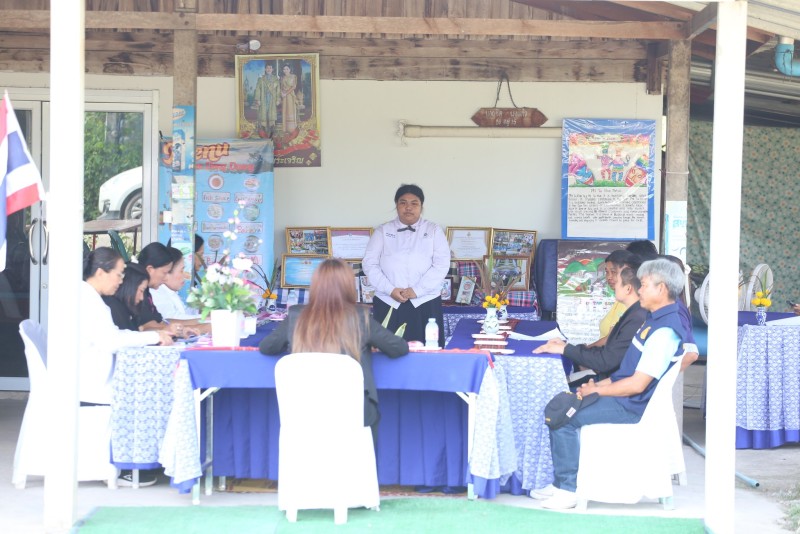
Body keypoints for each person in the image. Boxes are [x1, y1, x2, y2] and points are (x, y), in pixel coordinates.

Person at [531, 258, 688, 510]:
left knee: (564, 416)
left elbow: (637, 385)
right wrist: (597, 387)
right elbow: (626, 374)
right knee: (563, 403)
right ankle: (562, 482)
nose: (639, 290)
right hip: (623, 397)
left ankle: (568, 489)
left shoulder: (664, 332)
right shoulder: (654, 319)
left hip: (631, 406)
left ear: (661, 289)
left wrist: (597, 389)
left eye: (644, 285)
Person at [259, 258, 409, 444]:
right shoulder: (360, 317)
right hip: (354, 412)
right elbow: (399, 348)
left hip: (305, 412)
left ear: (316, 285)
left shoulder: (297, 315)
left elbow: (267, 347)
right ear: (348, 286)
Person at [81, 247, 172, 487]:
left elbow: (115, 334)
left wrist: (151, 336)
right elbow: (112, 341)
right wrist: (153, 337)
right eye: (119, 274)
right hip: (92, 379)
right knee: (148, 391)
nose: (122, 281)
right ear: (101, 272)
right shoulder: (88, 300)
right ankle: (128, 463)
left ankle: (144, 458)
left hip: (94, 371)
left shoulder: (90, 297)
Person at [362, 184, 450, 347]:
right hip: (389, 301)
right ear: (396, 205)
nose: (408, 207)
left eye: (414, 203)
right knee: (386, 352)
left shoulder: (433, 230)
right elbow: (369, 264)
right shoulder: (383, 231)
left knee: (427, 352)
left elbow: (442, 264)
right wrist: (390, 289)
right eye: (403, 202)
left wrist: (417, 290)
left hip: (425, 301)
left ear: (421, 206)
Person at [535, 266, 646, 382]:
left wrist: (566, 349)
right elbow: (609, 353)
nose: (613, 286)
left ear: (628, 288)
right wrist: (572, 349)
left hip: (611, 381)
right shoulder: (632, 313)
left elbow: (606, 361)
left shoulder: (636, 318)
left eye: (617, 282)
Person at [151, 247, 212, 334]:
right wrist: (206, 319)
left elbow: (185, 312)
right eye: (181, 270)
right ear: (166, 273)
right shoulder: (157, 293)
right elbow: (173, 319)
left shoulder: (171, 292)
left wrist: (203, 312)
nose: (185, 275)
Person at [595, 249, 642, 344]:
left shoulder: (630, 303)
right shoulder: (620, 299)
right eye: (607, 272)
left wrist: (579, 349)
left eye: (614, 272)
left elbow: (610, 339)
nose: (609, 277)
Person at [103, 262, 150, 332]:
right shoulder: (114, 309)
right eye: (141, 290)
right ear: (130, 286)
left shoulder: (124, 309)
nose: (142, 298)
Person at [253, 62, 280, 137]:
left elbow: (278, 90)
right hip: (263, 98)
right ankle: (263, 129)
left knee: (272, 114)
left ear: (272, 69)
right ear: (265, 69)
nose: (269, 69)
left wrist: (278, 99)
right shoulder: (261, 78)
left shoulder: (275, 79)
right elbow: (258, 89)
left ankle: (272, 130)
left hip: (272, 98)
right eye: (267, 68)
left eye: (270, 68)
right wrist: (258, 99)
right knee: (263, 114)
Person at [280, 64, 298, 134]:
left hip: (290, 95)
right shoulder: (282, 78)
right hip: (284, 96)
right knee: (285, 110)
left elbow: (293, 87)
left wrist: (286, 93)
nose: (285, 70)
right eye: (284, 69)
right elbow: (281, 87)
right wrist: (282, 92)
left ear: (290, 69)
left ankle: (292, 129)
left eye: (287, 69)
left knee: (290, 110)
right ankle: (285, 129)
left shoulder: (293, 76)